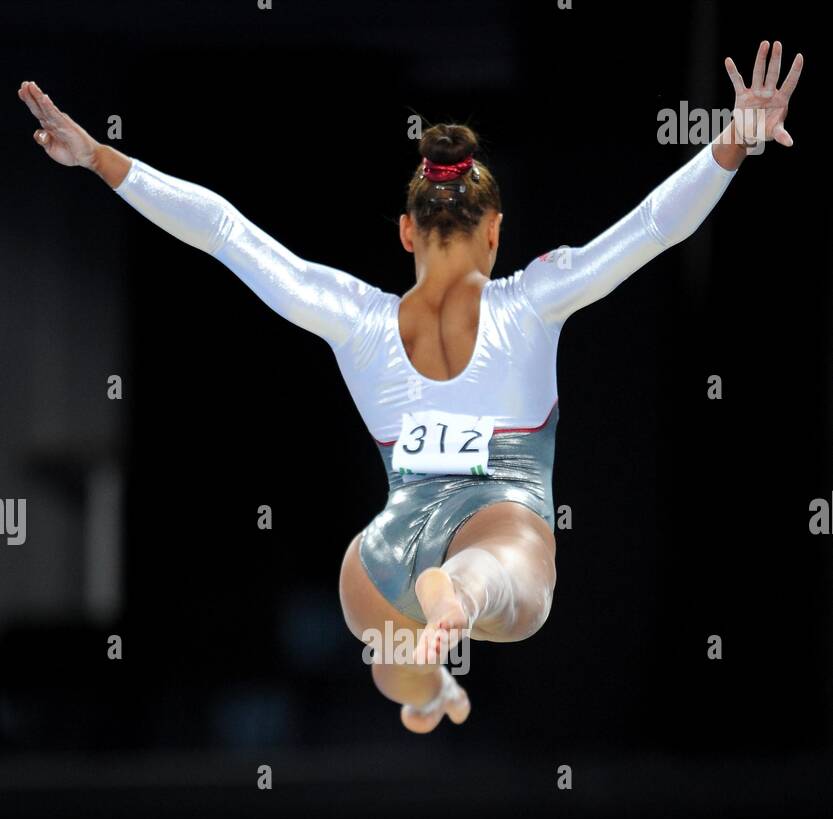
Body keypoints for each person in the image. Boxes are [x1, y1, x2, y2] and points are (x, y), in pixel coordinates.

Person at [18, 40, 802, 733]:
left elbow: (222, 229)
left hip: (385, 551)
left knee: (398, 670)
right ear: (495, 232)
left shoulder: (352, 318)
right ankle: (457, 600)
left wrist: (100, 160)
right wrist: (733, 137)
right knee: (510, 579)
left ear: (404, 233)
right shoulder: (533, 299)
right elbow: (653, 227)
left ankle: (433, 670)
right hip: (501, 518)